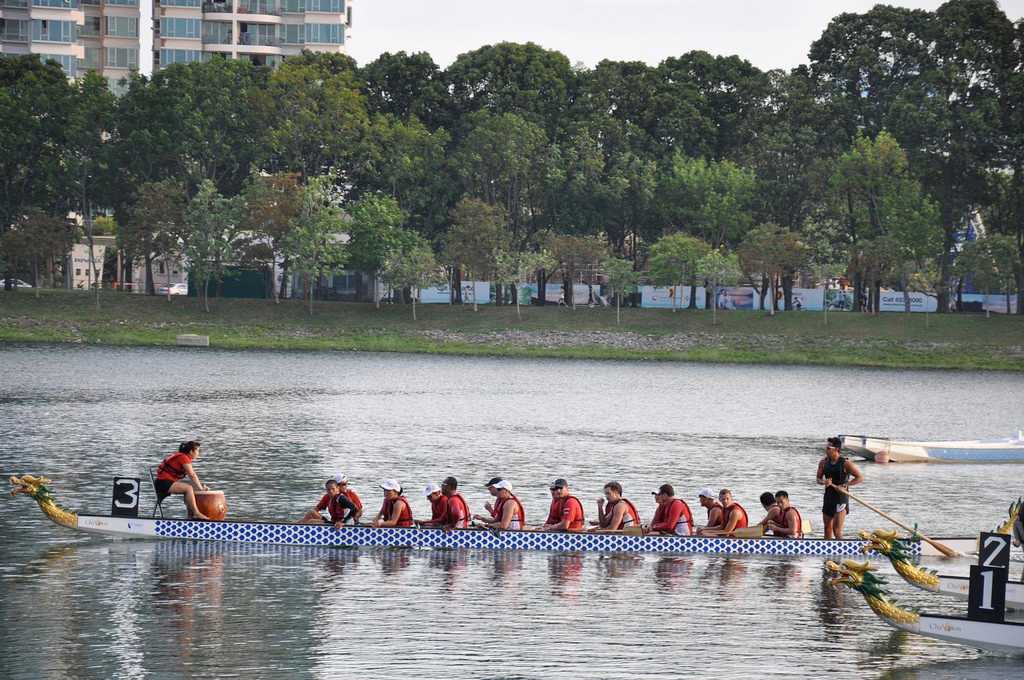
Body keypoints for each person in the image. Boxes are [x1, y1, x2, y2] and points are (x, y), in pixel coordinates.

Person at [817, 436, 864, 539]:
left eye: (829, 448)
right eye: (826, 447)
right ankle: (826, 551)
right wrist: (824, 482)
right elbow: (818, 479)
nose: (826, 450)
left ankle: (841, 549)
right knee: (827, 528)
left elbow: (860, 477)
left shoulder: (846, 463)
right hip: (828, 497)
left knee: (836, 530)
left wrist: (846, 485)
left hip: (841, 498)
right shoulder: (823, 462)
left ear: (837, 449)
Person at [154, 440, 210, 520]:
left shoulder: (182, 457)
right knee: (188, 488)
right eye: (197, 450)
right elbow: (192, 475)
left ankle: (190, 516)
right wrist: (200, 488)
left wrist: (200, 486)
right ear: (191, 451)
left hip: (164, 482)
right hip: (163, 483)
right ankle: (196, 513)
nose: (198, 453)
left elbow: (192, 478)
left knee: (192, 487)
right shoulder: (183, 458)